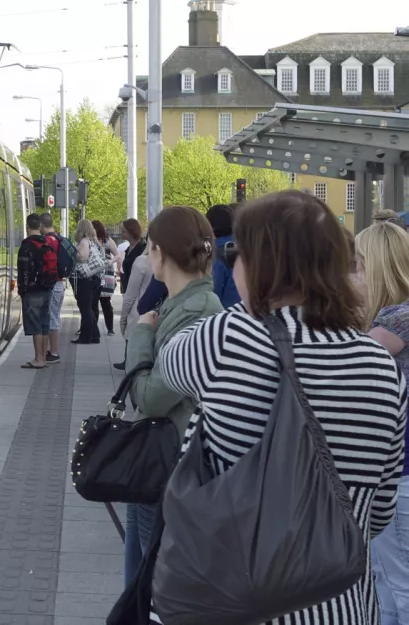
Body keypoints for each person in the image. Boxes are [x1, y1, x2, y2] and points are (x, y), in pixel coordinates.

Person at [156, 190, 406, 625]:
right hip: (341, 605)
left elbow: (169, 363)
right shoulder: (381, 366)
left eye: (239, 254)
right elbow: (380, 511)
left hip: (226, 598)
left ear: (262, 265)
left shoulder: (229, 337)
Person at [124, 205, 223, 559]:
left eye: (149, 247)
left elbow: (150, 397)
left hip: (168, 465)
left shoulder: (196, 312)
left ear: (159, 253)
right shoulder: (181, 303)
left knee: (150, 578)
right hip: (157, 459)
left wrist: (140, 336)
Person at [355, 222, 409, 625]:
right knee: (387, 583)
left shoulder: (397, 320)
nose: (351, 276)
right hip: (397, 470)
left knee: (398, 585)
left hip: (401, 474)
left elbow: (348, 361)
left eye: (357, 266)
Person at [16, 213, 57, 369]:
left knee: (35, 325)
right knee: (45, 324)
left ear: (27, 227)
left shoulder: (26, 246)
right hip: (47, 289)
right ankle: (44, 358)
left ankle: (38, 359)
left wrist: (23, 290)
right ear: (40, 226)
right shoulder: (47, 244)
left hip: (32, 291)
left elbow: (23, 271)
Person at [116, 240, 153, 371]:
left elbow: (130, 295)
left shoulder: (143, 262)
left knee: (135, 367)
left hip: (140, 315)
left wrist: (123, 319)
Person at [41, 213, 70, 364]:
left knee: (51, 319)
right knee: (54, 317)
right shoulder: (59, 238)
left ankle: (53, 352)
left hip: (51, 284)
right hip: (59, 284)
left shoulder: (47, 241)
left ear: (41, 225)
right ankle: (52, 351)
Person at [72, 219, 101, 345]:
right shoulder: (93, 241)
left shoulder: (84, 241)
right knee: (89, 308)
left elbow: (83, 257)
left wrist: (73, 253)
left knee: (85, 308)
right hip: (94, 279)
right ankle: (95, 334)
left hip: (85, 279)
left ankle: (86, 336)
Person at [206, 204, 241, 307]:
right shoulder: (246, 248)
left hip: (225, 316)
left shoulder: (216, 256)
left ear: (211, 227)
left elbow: (213, 293)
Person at [92, 220, 121, 337]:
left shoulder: (108, 241)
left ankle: (110, 328)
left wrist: (111, 262)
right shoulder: (90, 241)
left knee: (105, 302)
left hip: (106, 273)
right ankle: (94, 328)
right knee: (93, 303)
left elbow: (117, 254)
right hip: (94, 273)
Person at [120, 218, 147, 295]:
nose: (121, 233)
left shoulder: (142, 248)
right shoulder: (128, 249)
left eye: (123, 231)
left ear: (131, 232)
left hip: (139, 289)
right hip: (129, 286)